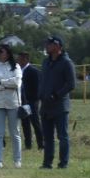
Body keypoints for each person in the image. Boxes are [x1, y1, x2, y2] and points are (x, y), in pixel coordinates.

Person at [37, 35, 75, 170]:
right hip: (46, 105)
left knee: (62, 136)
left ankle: (63, 163)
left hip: (59, 105)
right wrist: (40, 94)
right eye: (46, 44)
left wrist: (56, 95)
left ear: (58, 46)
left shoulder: (66, 62)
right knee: (47, 137)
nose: (46, 46)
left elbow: (71, 84)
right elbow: (43, 80)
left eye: (49, 44)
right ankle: (47, 163)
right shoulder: (45, 62)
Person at [0, 42, 22, 168]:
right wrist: (6, 86)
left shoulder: (16, 66)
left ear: (8, 53)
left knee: (15, 132)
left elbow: (16, 82)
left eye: (1, 51)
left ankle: (17, 160)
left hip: (13, 103)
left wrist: (1, 82)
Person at [17, 46, 41, 152]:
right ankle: (28, 145)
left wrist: (34, 100)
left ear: (26, 59)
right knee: (25, 123)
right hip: (21, 101)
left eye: (21, 59)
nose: (18, 61)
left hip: (32, 101)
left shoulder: (33, 71)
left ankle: (41, 144)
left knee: (35, 123)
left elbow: (37, 87)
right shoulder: (17, 70)